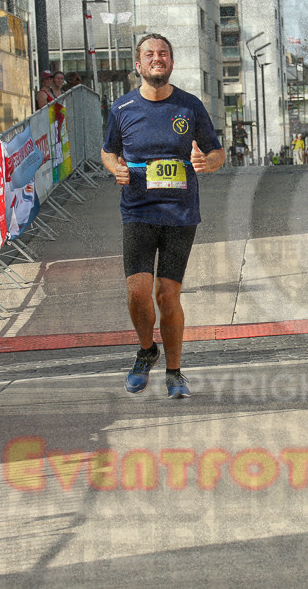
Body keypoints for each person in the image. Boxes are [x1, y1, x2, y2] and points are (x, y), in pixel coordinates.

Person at [101, 33, 225, 399]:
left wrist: (206, 162)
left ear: (171, 63)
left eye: (164, 54)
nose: (158, 59)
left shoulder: (189, 107)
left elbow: (218, 153)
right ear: (138, 65)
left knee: (167, 294)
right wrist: (116, 169)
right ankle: (146, 351)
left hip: (180, 213)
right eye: (150, 54)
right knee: (138, 293)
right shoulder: (122, 109)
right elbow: (108, 152)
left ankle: (174, 372)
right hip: (138, 211)